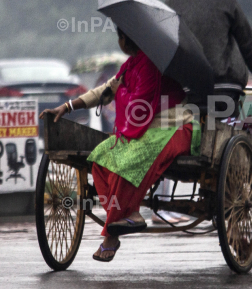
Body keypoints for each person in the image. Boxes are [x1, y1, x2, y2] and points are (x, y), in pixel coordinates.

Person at [39, 29, 199, 262]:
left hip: (174, 128)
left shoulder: (152, 65)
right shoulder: (131, 65)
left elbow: (138, 105)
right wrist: (68, 107)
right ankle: (130, 214)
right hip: (145, 130)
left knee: (129, 163)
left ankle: (110, 237)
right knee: (100, 159)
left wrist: (118, 91)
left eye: (120, 37)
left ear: (127, 40)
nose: (119, 42)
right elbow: (104, 91)